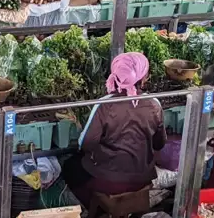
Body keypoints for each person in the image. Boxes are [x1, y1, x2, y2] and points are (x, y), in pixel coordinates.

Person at [64, 53, 166, 208]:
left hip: (108, 180)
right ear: (144, 78)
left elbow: (86, 143)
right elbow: (160, 143)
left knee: (70, 167)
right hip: (142, 177)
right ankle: (113, 210)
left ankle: (94, 209)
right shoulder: (154, 104)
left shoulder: (105, 104)